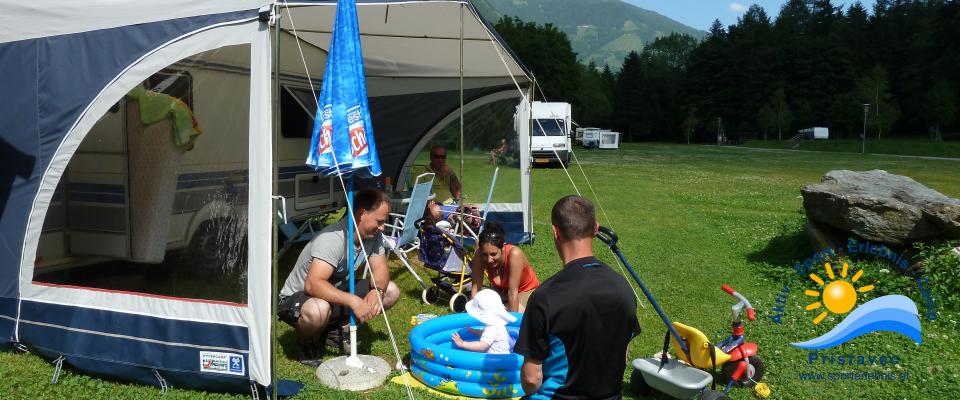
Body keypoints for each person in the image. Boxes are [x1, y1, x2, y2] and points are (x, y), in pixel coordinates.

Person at [514, 195, 640, 399]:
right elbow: (622, 355)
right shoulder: (624, 288)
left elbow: (531, 379)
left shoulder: (545, 297)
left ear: (555, 232)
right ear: (596, 229)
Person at [277, 188, 401, 366]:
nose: (382, 227)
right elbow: (313, 284)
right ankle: (307, 341)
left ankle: (336, 330)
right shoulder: (333, 238)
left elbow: (380, 269)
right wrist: (354, 301)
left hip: (335, 292)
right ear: (362, 214)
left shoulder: (375, 236)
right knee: (318, 310)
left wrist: (378, 290)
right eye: (379, 221)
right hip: (300, 297)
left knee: (391, 291)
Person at [470, 222, 539, 313]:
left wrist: (512, 324)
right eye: (485, 254)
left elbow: (512, 293)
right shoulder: (479, 254)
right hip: (501, 293)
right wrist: (470, 315)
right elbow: (475, 289)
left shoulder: (514, 255)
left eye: (493, 254)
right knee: (483, 308)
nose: (489, 260)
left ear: (503, 247)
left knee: (499, 313)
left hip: (525, 291)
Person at [451, 289, 518, 355]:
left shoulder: (492, 329)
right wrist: (474, 331)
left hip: (495, 363)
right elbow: (488, 335)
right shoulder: (498, 325)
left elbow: (482, 346)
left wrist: (462, 343)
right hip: (504, 359)